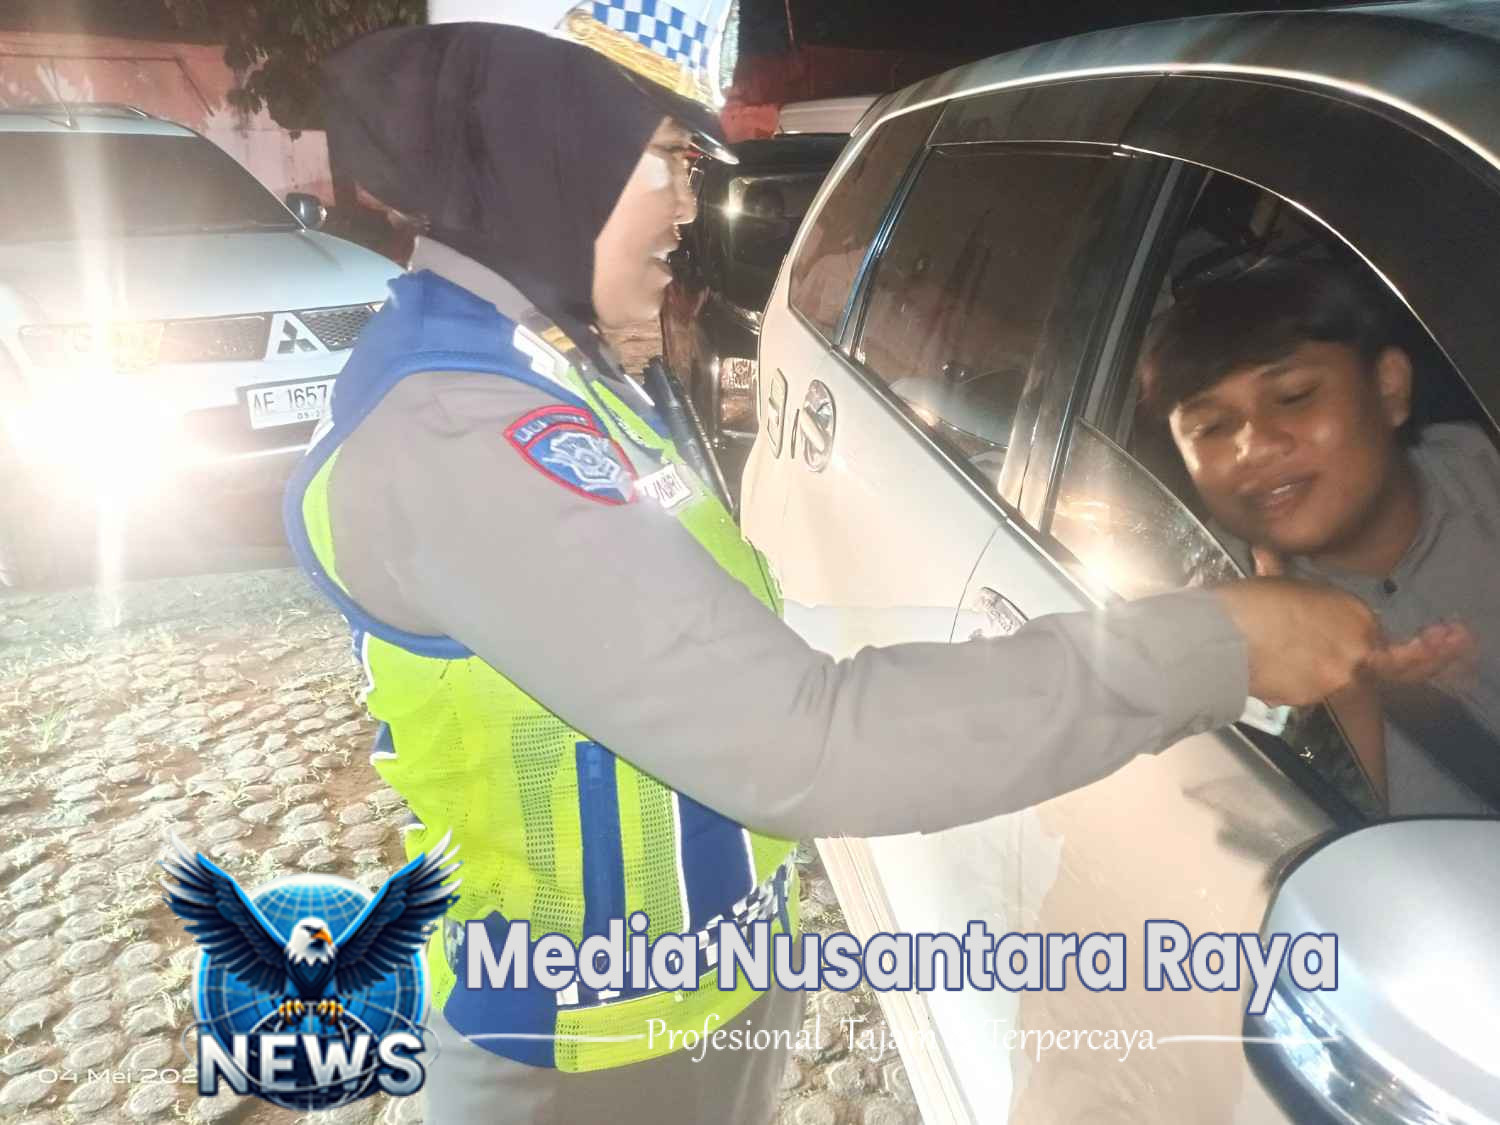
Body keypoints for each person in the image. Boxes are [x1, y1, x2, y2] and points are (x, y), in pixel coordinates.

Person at [286, 22, 1466, 1125]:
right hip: (583, 1056)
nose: (688, 208)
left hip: (679, 1004)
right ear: (549, 156)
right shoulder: (463, 431)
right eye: (665, 163)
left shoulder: (550, 367)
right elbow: (802, 745)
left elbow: (719, 638)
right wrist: (1215, 644)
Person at [1141, 259, 1500, 814]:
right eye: (1211, 427)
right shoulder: (1209, 634)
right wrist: (1347, 694)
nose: (1254, 447)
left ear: (1389, 388)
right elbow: (1321, 847)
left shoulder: (1487, 471)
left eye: (1294, 396)